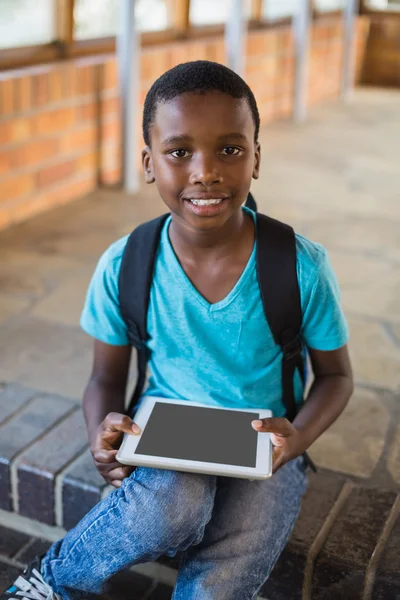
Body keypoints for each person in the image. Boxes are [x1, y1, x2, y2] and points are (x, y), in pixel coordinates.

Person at [3, 60, 353, 600]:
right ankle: (52, 581)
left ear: (256, 157)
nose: (205, 172)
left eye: (230, 149)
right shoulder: (127, 264)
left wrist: (298, 438)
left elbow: (335, 377)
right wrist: (103, 435)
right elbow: (103, 377)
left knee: (236, 554)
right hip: (166, 437)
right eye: (179, 151)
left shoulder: (299, 266)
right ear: (148, 162)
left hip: (265, 445)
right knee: (170, 506)